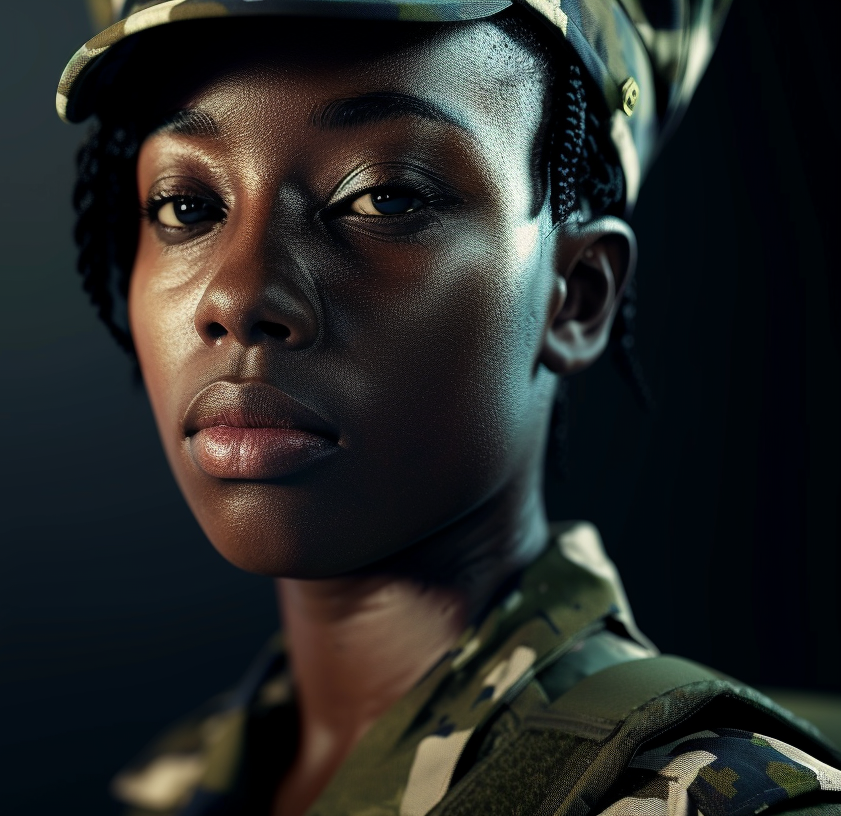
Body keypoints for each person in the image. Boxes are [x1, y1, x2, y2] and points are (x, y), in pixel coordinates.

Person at [54, 1, 841, 814]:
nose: (242, 294)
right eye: (188, 205)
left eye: (386, 197)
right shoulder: (175, 786)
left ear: (576, 297)